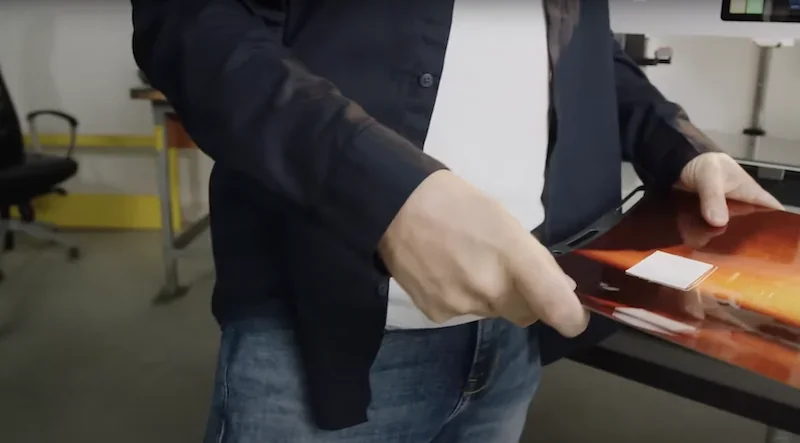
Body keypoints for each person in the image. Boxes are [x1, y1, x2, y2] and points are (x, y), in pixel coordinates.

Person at [131, 0, 783, 441]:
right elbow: (194, 22)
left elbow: (590, 55)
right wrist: (386, 192)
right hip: (318, 319)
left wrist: (684, 147)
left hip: (511, 334)